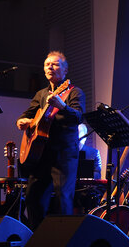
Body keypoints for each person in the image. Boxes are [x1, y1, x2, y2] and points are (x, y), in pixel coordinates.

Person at [16, 51, 85, 229]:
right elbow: (29, 115)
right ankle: (37, 240)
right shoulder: (41, 94)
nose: (50, 67)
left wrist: (62, 106)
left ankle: (62, 243)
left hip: (64, 153)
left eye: (55, 64)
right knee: (32, 196)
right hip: (40, 154)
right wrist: (22, 121)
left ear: (65, 70)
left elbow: (78, 117)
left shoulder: (73, 92)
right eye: (47, 65)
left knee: (63, 199)